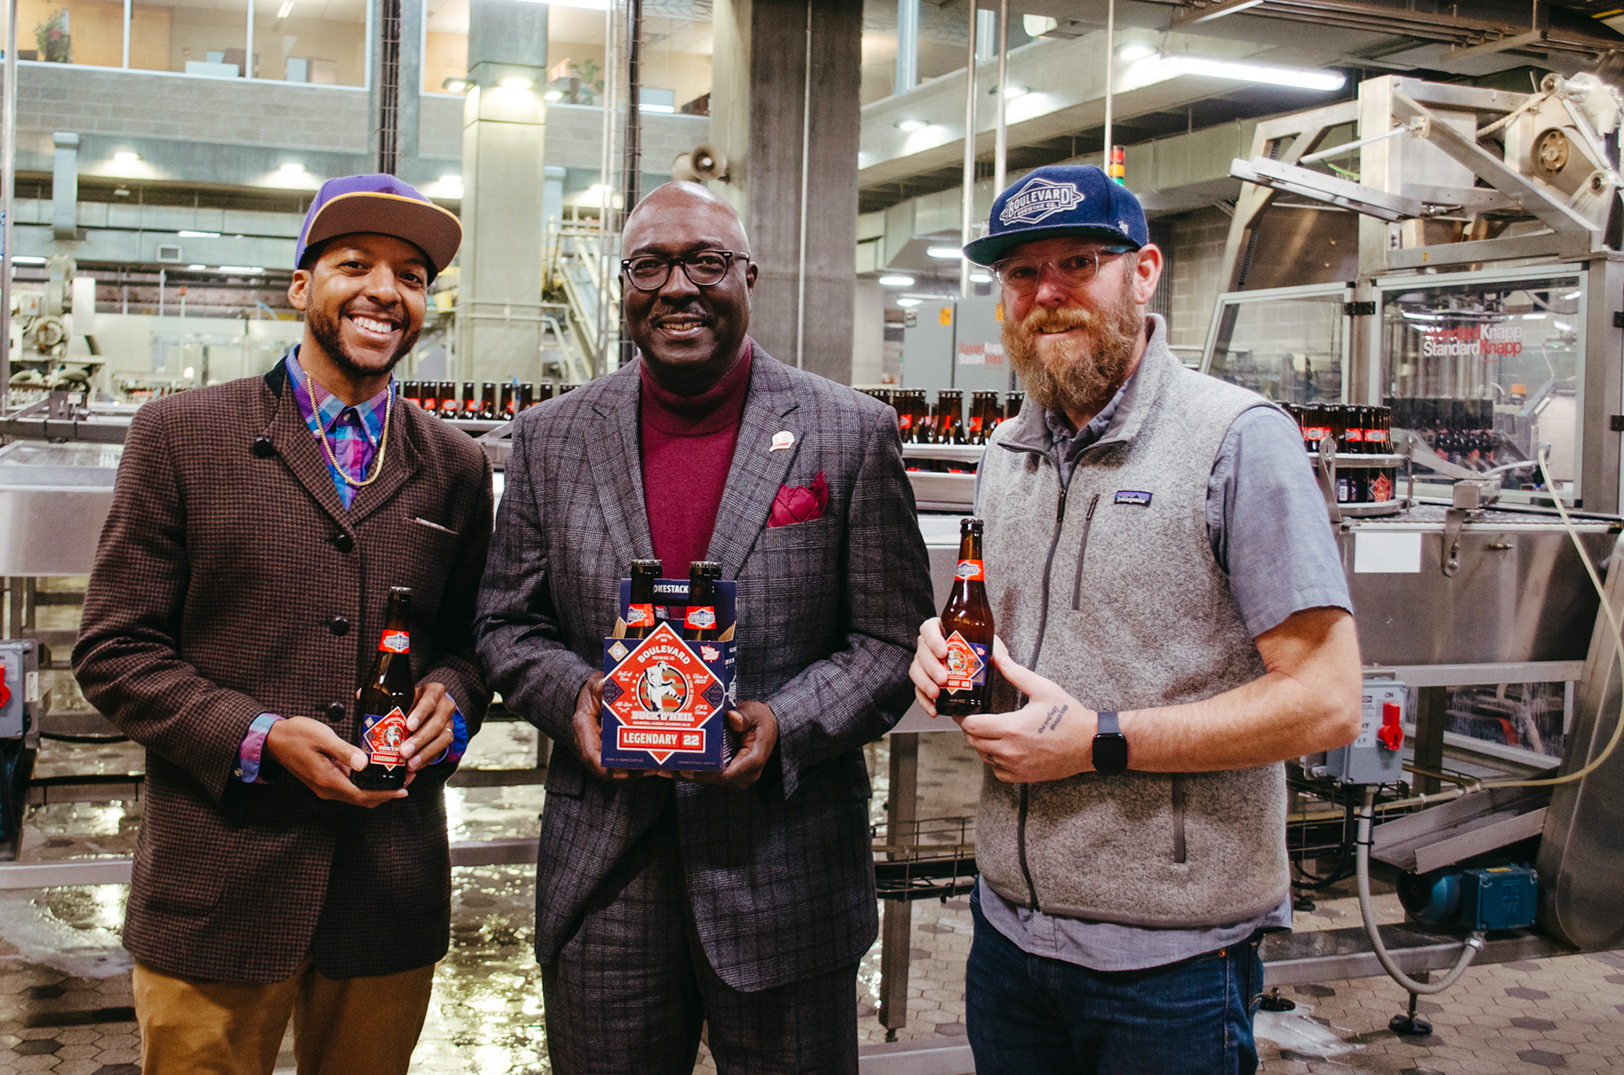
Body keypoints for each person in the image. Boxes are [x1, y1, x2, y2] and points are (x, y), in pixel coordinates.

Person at [910, 164, 1363, 1074]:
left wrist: (1098, 741)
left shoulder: (1237, 440)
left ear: (1144, 270)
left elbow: (1326, 702)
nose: (1047, 293)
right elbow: (1031, 645)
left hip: (1171, 961)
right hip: (1007, 934)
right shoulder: (1008, 454)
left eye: (1078, 261)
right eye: (1020, 274)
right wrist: (949, 653)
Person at [475, 181, 934, 1074]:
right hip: (606, 877)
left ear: (749, 275)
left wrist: (785, 722)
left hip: (784, 871)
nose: (676, 286)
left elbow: (890, 640)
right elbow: (504, 622)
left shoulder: (848, 432)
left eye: (706, 261)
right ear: (622, 287)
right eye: (649, 264)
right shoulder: (552, 438)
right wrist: (572, 697)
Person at [73, 174, 493, 1075]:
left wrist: (450, 702)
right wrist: (258, 737)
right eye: (355, 264)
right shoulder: (181, 434)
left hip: (386, 886)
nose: (387, 290)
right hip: (219, 886)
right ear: (300, 287)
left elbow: (472, 641)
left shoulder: (455, 465)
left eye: (413, 275)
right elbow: (115, 649)